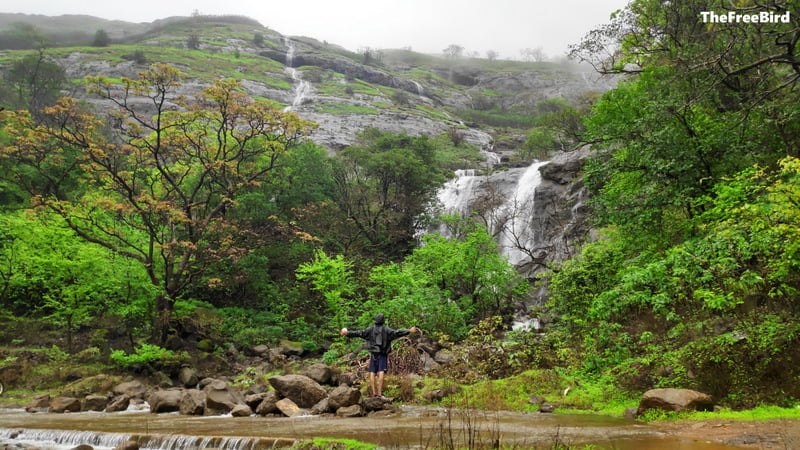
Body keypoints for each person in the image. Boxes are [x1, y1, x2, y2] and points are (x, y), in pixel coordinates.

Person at [340, 313, 419, 397]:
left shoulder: (370, 329)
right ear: (383, 321)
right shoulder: (387, 330)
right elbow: (397, 333)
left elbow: (359, 333)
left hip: (373, 354)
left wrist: (347, 333)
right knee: (381, 372)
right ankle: (379, 393)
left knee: (372, 372)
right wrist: (409, 331)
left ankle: (374, 393)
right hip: (383, 354)